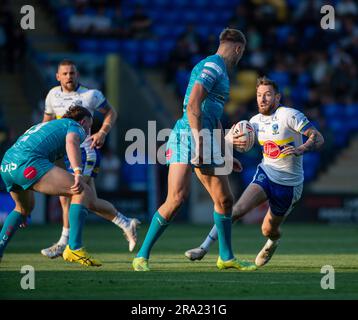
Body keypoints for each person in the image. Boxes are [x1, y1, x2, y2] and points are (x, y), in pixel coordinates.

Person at [132, 28, 257, 272]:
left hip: (206, 135)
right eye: (242, 53)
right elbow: (192, 105)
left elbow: (215, 118)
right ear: (239, 48)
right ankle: (141, 256)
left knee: (225, 199)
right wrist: (199, 143)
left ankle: (226, 257)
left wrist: (226, 153)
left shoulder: (219, 71)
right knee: (176, 199)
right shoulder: (213, 67)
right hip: (187, 135)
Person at [185, 76, 325, 266]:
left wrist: (301, 148)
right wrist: (230, 141)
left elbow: (318, 138)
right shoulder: (254, 121)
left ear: (277, 97)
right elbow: (231, 139)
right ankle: (203, 247)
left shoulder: (289, 115)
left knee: (268, 229)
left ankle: (273, 241)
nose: (262, 99)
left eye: (267, 95)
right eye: (259, 95)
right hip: (266, 173)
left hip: (289, 185)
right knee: (236, 210)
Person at [40, 59, 139, 259]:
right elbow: (47, 123)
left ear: (78, 74)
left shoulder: (90, 95)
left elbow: (111, 112)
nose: (69, 77)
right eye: (65, 73)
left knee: (70, 193)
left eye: (72, 73)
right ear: (57, 76)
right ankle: (125, 222)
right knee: (89, 201)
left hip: (85, 152)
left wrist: (102, 132)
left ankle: (65, 243)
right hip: (66, 153)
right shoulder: (52, 95)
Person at [0, 106, 102, 266]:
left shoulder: (49, 126)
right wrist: (77, 172)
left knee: (23, 209)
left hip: (6, 164)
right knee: (82, 191)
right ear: (83, 121)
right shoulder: (75, 126)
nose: (88, 131)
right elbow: (71, 142)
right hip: (27, 163)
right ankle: (74, 248)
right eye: (89, 126)